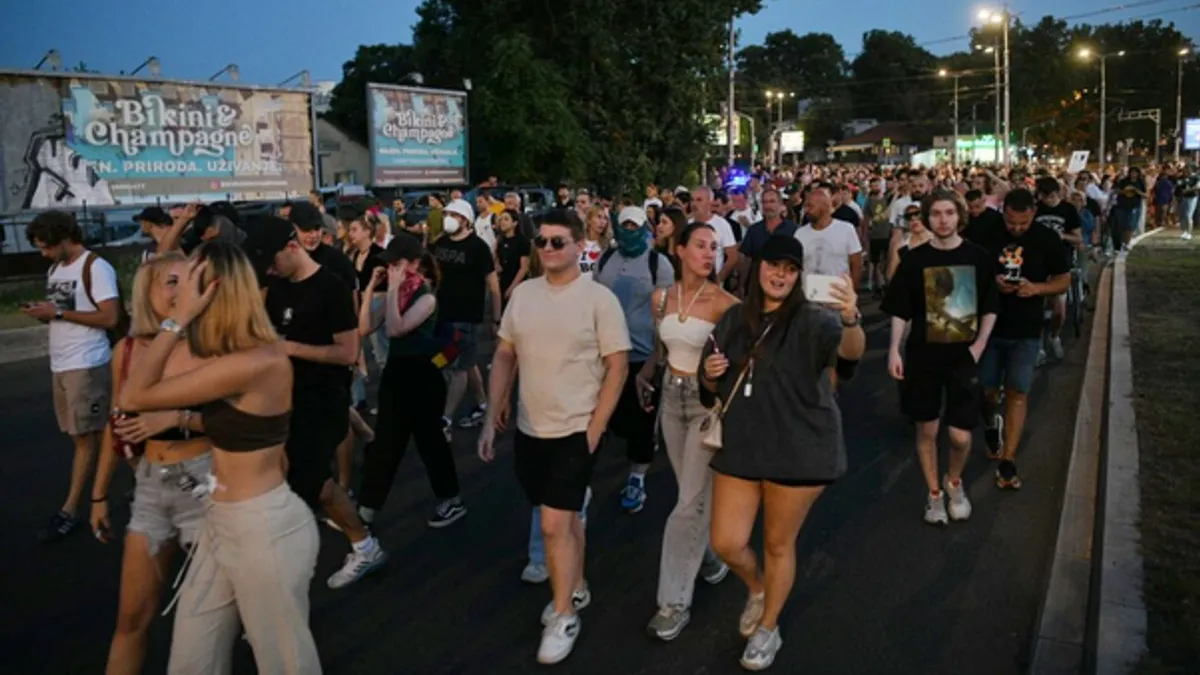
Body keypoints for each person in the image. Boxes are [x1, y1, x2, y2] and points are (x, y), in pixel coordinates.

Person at [118, 241, 320, 674]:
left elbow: (134, 395)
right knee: (192, 661)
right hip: (221, 522)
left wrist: (178, 320)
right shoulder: (228, 356)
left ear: (216, 290)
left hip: (262, 528)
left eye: (191, 284)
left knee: (286, 666)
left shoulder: (257, 359)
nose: (180, 294)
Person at [700, 234, 865, 670]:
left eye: (791, 270)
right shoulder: (734, 319)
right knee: (727, 541)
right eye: (774, 266)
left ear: (799, 276)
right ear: (759, 269)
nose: (781, 275)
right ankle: (758, 588)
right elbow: (709, 387)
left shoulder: (814, 320)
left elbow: (849, 360)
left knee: (777, 543)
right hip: (743, 446)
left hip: (800, 449)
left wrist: (850, 319)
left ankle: (768, 627)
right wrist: (709, 373)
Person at [478, 209, 630, 665]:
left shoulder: (598, 300)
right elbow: (505, 354)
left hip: (576, 430)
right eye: (541, 241)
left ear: (580, 245)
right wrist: (492, 412)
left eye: (557, 242)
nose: (547, 249)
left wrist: (597, 427)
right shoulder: (523, 295)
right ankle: (576, 584)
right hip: (530, 428)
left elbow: (618, 364)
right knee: (565, 518)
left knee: (551, 524)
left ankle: (563, 613)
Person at [249, 216, 387, 589]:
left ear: (291, 246)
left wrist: (288, 348)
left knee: (313, 482)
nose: (269, 269)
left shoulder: (331, 287)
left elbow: (348, 352)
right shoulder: (276, 288)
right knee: (304, 484)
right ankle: (360, 545)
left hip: (322, 399)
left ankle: (363, 546)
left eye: (272, 259)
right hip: (284, 398)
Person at [90, 252, 211, 675]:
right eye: (172, 282)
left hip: (208, 482)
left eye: (190, 280)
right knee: (131, 620)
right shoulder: (124, 351)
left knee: (219, 619)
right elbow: (115, 426)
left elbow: (250, 422)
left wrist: (178, 418)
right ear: (149, 292)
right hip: (151, 485)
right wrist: (99, 494)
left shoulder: (212, 344)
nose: (183, 290)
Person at [642, 222, 738, 642]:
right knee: (690, 494)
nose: (708, 253)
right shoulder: (661, 298)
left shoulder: (725, 304)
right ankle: (712, 559)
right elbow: (661, 348)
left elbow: (740, 359)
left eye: (714, 247)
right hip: (670, 398)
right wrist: (646, 373)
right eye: (700, 245)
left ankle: (673, 601)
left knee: (686, 505)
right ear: (679, 250)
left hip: (704, 404)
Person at [882, 191, 999, 525]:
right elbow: (901, 311)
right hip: (922, 355)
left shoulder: (978, 257)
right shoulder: (914, 260)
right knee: (927, 431)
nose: (943, 220)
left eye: (949, 213)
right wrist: (894, 349)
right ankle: (934, 494)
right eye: (936, 213)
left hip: (964, 357)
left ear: (959, 216)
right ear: (927, 218)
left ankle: (954, 480)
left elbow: (991, 306)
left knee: (960, 435)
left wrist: (978, 347)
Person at [22, 210, 122, 542]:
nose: (43, 253)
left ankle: (72, 509)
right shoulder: (56, 268)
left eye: (46, 246)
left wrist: (59, 312)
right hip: (62, 363)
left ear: (65, 238)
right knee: (105, 430)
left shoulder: (96, 267)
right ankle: (156, 484)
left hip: (87, 362)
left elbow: (110, 317)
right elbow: (64, 314)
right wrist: (46, 314)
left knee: (86, 438)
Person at [355, 235, 466, 530]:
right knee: (386, 443)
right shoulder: (398, 293)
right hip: (397, 373)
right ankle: (366, 508)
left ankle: (451, 498)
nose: (392, 269)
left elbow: (395, 329)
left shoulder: (426, 297)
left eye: (397, 263)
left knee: (429, 441)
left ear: (415, 264)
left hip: (422, 375)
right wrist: (370, 288)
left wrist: (391, 289)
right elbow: (365, 327)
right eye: (389, 264)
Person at [975, 189, 1071, 489]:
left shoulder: (1046, 238)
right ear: (1003, 212)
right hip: (989, 328)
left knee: (1018, 391)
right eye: (1011, 222)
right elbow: (971, 271)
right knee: (988, 391)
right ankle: (992, 424)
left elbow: (1063, 279)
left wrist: (1037, 289)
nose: (1016, 228)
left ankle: (1009, 460)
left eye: (1023, 223)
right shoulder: (987, 233)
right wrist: (993, 283)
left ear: (1033, 213)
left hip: (1026, 330)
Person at [594, 206, 675, 513]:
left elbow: (664, 314)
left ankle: (637, 479)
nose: (628, 230)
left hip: (643, 354)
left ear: (643, 228)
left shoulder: (659, 264)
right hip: (607, 353)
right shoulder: (606, 259)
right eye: (624, 225)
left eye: (634, 225)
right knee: (606, 416)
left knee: (641, 421)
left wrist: (659, 355)